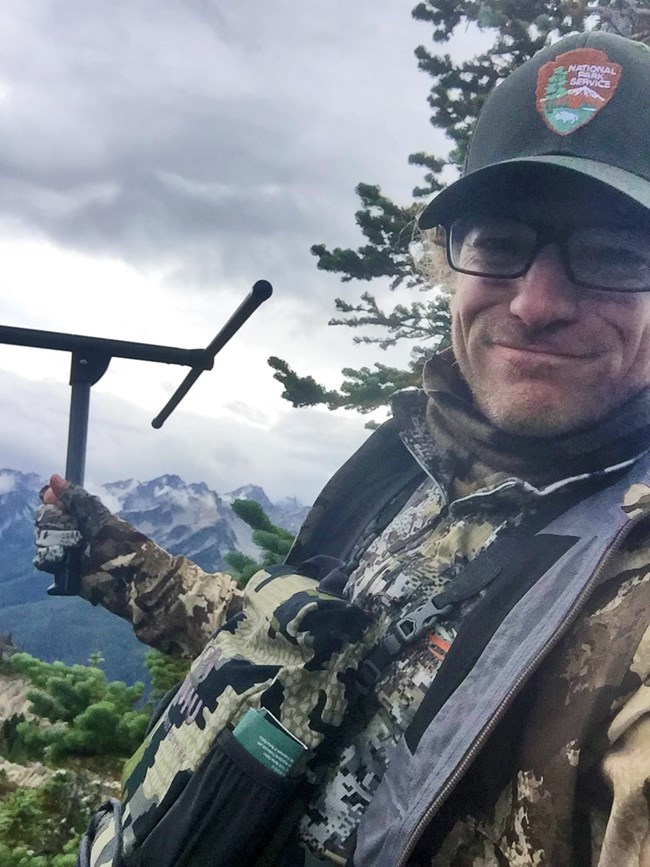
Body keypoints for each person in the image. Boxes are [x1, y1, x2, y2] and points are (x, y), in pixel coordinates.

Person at [36, 30, 650, 867]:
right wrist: (115, 559)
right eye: (501, 244)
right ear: (451, 267)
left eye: (613, 254)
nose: (536, 304)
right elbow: (297, 654)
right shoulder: (411, 464)